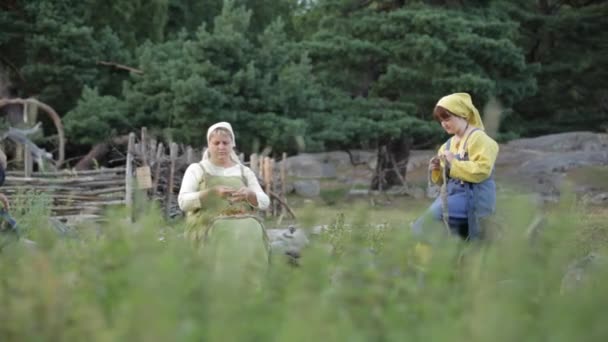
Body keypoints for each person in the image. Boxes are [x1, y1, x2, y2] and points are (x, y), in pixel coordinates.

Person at [178, 122, 271, 287]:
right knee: (224, 229)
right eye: (216, 143)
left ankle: (253, 287)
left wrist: (249, 195)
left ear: (232, 144)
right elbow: (183, 202)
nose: (221, 147)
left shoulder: (244, 171)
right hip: (207, 222)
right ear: (209, 144)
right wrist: (212, 193)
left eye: (225, 143)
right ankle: (222, 288)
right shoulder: (197, 169)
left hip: (243, 219)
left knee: (253, 227)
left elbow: (264, 201)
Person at [412, 93, 499, 240]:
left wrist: (453, 163)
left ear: (462, 115)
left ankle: (422, 258)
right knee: (426, 226)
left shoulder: (479, 139)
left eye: (447, 118)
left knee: (425, 223)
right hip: (452, 196)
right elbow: (442, 182)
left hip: (474, 198)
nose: (444, 123)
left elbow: (483, 170)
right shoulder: (447, 145)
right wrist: (437, 170)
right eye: (440, 120)